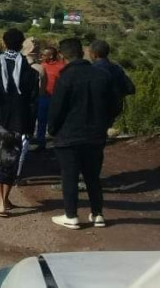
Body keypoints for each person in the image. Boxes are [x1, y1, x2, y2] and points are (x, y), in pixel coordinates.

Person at [48, 38, 117, 230]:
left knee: (69, 176)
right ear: (83, 52)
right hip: (95, 135)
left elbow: (56, 109)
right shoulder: (102, 75)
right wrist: (105, 124)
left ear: (62, 55)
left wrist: (53, 130)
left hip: (69, 135)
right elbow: (115, 104)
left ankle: (71, 215)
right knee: (93, 176)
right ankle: (98, 214)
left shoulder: (66, 77)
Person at [0, 28, 39, 217]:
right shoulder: (29, 69)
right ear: (22, 45)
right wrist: (30, 125)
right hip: (19, 121)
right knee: (10, 160)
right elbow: (33, 101)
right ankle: (5, 200)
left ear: (4, 43)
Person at [17, 37, 47, 178]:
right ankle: (18, 172)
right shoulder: (39, 69)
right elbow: (41, 92)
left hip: (14, 109)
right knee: (24, 142)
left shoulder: (13, 65)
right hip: (30, 108)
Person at [89, 39, 135, 118]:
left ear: (94, 54)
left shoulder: (90, 70)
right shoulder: (117, 69)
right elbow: (130, 88)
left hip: (97, 113)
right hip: (115, 111)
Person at [36, 46, 66, 149]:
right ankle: (40, 142)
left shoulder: (62, 67)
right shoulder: (42, 65)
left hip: (56, 98)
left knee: (56, 120)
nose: (42, 56)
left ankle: (59, 142)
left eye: (44, 55)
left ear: (51, 56)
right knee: (41, 120)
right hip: (43, 96)